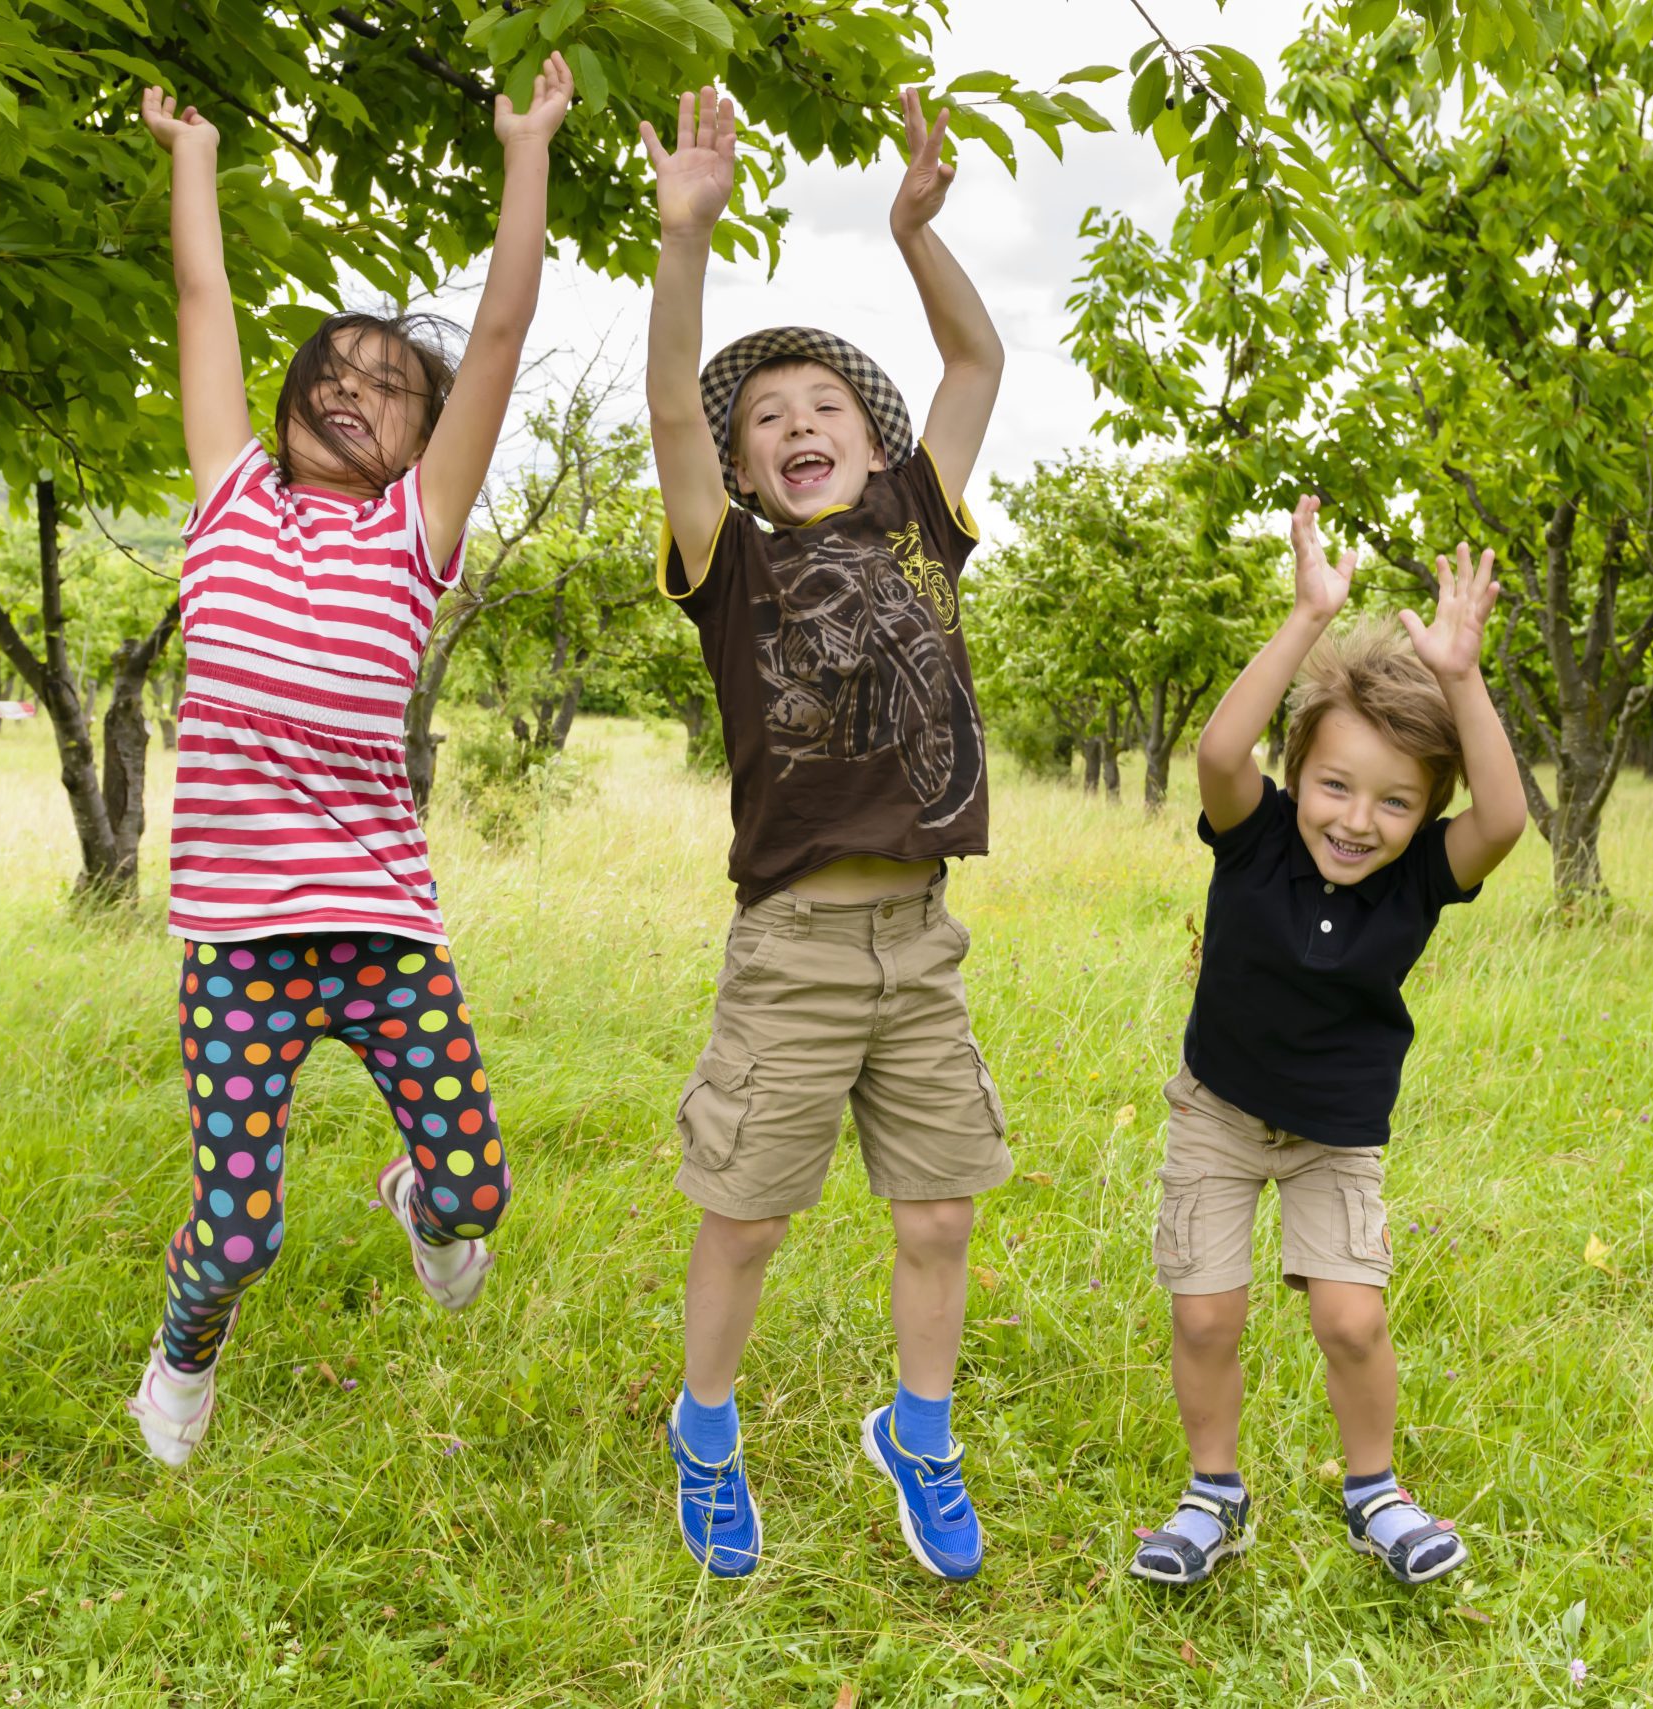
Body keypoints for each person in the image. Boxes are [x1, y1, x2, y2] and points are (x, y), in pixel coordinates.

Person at [124, 59, 574, 1467]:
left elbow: (497, 333)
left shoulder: (413, 536)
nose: (357, 391)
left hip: (382, 925)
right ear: (289, 397)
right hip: (240, 944)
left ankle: (418, 1203)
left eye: (393, 388)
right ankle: (184, 1353)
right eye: (335, 371)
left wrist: (526, 155)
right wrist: (191, 158)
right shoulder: (226, 496)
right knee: (240, 1227)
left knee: (477, 1191)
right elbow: (204, 307)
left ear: (430, 441)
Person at [641, 85, 1008, 1581]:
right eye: (766, 422)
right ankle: (705, 1432)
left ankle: (917, 1432)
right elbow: (674, 401)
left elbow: (978, 357)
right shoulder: (726, 563)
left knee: (938, 1215)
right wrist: (685, 238)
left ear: (875, 441)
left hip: (918, 941)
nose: (796, 426)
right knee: (746, 1219)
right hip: (793, 948)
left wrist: (916, 233)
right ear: (737, 472)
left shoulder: (925, 517)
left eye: (825, 410)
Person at [1128, 503, 1527, 1587]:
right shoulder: (1250, 834)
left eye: (1396, 802)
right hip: (1217, 1109)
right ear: (1297, 773)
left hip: (1334, 1134)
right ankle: (1211, 1492)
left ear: (1423, 812)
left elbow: (1505, 815)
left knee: (1351, 1318)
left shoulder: (1420, 880)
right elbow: (1220, 745)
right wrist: (1309, 616)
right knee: (1207, 1313)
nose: (1358, 819)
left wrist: (1460, 677)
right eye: (1336, 785)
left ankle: (1374, 1495)